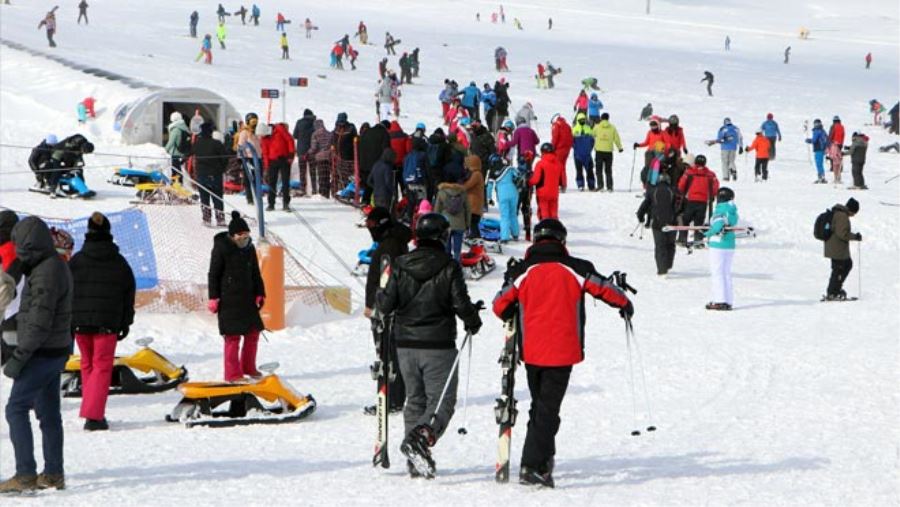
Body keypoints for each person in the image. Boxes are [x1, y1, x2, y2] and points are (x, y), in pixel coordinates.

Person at [492, 218, 632, 488]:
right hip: (562, 351)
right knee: (547, 409)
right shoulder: (576, 267)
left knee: (541, 406)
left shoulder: (522, 271)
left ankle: (543, 458)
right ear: (562, 240)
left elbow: (499, 304)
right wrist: (625, 303)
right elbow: (604, 289)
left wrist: (511, 309)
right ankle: (532, 466)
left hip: (531, 351)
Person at [375, 213, 482, 478]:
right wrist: (473, 319)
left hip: (405, 344)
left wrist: (380, 292)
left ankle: (416, 458)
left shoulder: (400, 264)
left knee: (415, 400)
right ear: (442, 237)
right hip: (438, 344)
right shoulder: (449, 265)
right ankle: (420, 438)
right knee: (442, 401)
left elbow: (385, 305)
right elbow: (459, 302)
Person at [0, 217, 72, 493]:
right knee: (48, 413)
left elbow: (39, 321)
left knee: (15, 409)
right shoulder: (51, 264)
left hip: (42, 352)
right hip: (54, 350)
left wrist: (20, 356)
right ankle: (53, 473)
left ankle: (25, 475)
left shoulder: (46, 273)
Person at [68, 212, 135, 431]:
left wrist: (69, 320)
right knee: (102, 367)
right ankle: (94, 415)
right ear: (108, 232)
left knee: (87, 364)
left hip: (80, 322)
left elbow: (66, 291)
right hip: (107, 323)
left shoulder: (76, 261)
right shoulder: (119, 262)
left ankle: (91, 408)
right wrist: (126, 322)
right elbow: (128, 293)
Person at [363, 207, 411, 415]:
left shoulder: (390, 246)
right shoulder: (390, 242)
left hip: (386, 309)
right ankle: (394, 397)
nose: (370, 229)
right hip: (385, 306)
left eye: (372, 225)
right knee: (389, 352)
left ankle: (391, 399)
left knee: (388, 353)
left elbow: (386, 280)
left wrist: (376, 306)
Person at [208, 212, 265, 382]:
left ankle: (248, 366)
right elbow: (213, 274)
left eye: (246, 234)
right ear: (232, 235)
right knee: (232, 337)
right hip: (229, 300)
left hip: (247, 299)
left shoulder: (249, 248)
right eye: (240, 234)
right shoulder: (221, 248)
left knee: (253, 332)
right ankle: (233, 374)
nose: (244, 237)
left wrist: (260, 292)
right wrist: (213, 297)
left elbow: (255, 272)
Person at [637, 171, 678, 275]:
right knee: (670, 244)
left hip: (657, 222)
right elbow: (680, 205)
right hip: (672, 222)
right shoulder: (673, 190)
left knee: (660, 245)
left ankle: (662, 269)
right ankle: (668, 264)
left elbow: (644, 205)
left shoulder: (652, 191)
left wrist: (640, 216)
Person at [704, 187, 739, 310]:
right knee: (726, 273)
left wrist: (707, 233)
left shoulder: (720, 209)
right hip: (729, 244)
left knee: (717, 272)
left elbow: (718, 225)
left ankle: (720, 301)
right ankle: (728, 300)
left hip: (718, 244)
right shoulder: (732, 210)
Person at [823, 198, 861, 300]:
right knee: (839, 269)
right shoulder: (842, 216)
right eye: (854, 213)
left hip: (834, 247)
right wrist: (855, 237)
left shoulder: (839, 213)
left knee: (843, 267)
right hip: (837, 248)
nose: (853, 215)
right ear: (851, 210)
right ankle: (833, 292)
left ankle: (834, 290)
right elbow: (842, 234)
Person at [677, 154, 719, 245]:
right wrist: (712, 195)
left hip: (691, 200)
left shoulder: (689, 172)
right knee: (699, 222)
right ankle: (698, 241)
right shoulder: (711, 174)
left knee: (686, 220)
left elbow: (681, 185)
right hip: (703, 201)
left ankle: (682, 239)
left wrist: (681, 193)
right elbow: (716, 186)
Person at [192, 121, 228, 225]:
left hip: (202, 174)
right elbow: (225, 158)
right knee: (217, 197)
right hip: (215, 174)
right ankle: (220, 219)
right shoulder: (217, 144)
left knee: (204, 198)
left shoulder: (197, 144)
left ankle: (206, 218)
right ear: (211, 132)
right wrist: (222, 169)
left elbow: (188, 153)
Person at [262, 122, 296, 212]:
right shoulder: (264, 137)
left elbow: (290, 140)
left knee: (285, 182)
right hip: (272, 161)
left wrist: (291, 154)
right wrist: (266, 167)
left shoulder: (279, 129)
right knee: (272, 182)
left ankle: (286, 203)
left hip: (284, 159)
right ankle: (271, 204)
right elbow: (265, 153)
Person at [434, 178, 470, 261]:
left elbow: (437, 209)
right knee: (457, 249)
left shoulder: (441, 192)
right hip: (460, 224)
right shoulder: (463, 192)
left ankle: (447, 263)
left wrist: (437, 224)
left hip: (446, 224)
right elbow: (468, 210)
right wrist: (467, 224)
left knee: (447, 247)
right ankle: (456, 264)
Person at [529, 143, 566, 220]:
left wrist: (528, 182)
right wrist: (563, 186)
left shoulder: (540, 164)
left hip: (542, 193)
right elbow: (563, 179)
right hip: (554, 192)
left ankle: (545, 224)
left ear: (543, 152)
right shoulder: (559, 164)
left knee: (544, 212)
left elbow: (535, 180)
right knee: (553, 212)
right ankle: (554, 225)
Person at [591, 113, 623, 192]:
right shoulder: (612, 127)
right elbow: (616, 138)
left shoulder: (597, 127)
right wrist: (620, 148)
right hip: (608, 151)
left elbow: (592, 134)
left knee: (599, 170)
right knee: (608, 170)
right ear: (608, 118)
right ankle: (610, 187)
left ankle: (600, 186)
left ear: (601, 118)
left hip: (599, 151)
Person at [237, 112, 262, 204]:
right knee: (248, 179)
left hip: (258, 158)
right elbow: (240, 145)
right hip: (249, 158)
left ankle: (257, 196)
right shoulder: (244, 132)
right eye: (252, 122)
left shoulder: (258, 132)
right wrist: (241, 158)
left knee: (258, 178)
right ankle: (250, 198)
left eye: (256, 121)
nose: (254, 124)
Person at [293, 109, 316, 196]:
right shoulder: (314, 123)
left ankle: (303, 189)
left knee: (302, 171)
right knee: (313, 171)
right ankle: (314, 190)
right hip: (312, 151)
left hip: (301, 151)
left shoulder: (299, 122)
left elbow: (295, 135)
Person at [307, 119, 333, 198]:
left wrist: (308, 153)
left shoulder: (315, 134)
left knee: (321, 176)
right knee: (327, 176)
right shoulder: (329, 133)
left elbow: (314, 148)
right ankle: (327, 193)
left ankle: (322, 193)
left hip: (320, 158)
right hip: (329, 157)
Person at [461, 155, 485, 238]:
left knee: (473, 222)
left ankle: (474, 237)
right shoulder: (477, 174)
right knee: (473, 223)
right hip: (475, 204)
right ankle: (474, 236)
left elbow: (468, 185)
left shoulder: (476, 174)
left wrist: (459, 187)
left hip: (474, 204)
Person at [571, 112, 595, 191]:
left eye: (583, 119)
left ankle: (591, 185)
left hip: (587, 154)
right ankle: (580, 185)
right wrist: (575, 148)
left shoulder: (588, 128)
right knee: (579, 171)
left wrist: (589, 149)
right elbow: (571, 141)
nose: (582, 121)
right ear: (578, 120)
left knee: (590, 170)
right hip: (578, 155)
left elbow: (592, 141)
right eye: (580, 120)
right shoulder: (574, 129)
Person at [806, 118, 828, 183]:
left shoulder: (817, 131)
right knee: (820, 163)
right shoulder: (822, 131)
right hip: (822, 149)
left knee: (818, 164)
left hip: (818, 148)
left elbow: (814, 140)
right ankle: (822, 177)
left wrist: (809, 140)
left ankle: (821, 177)